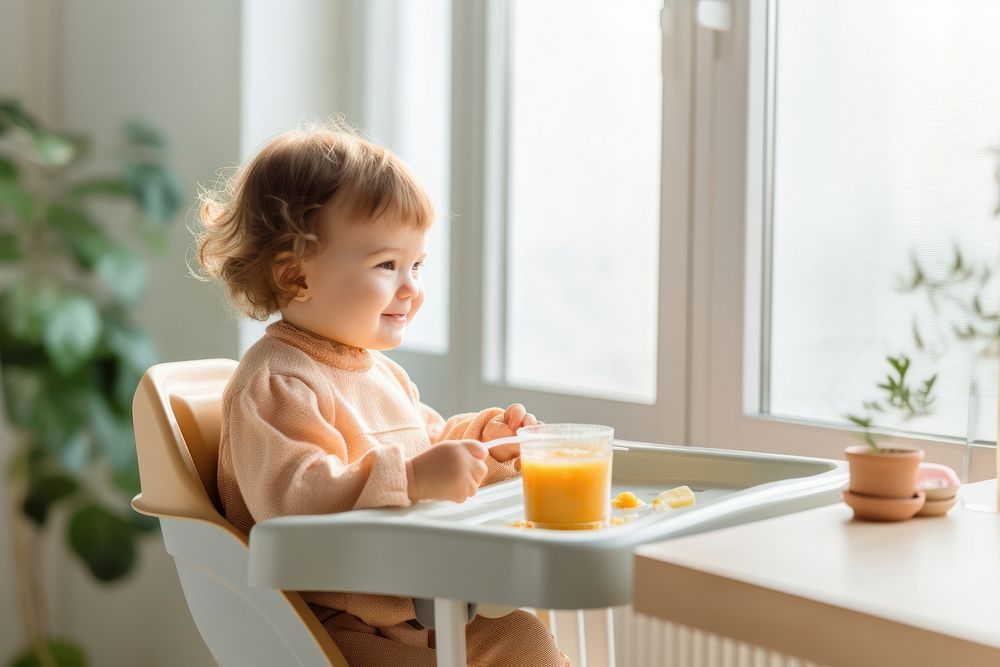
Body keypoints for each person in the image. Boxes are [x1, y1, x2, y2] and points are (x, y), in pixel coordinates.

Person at [194, 122, 569, 666]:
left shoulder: (381, 374)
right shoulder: (275, 383)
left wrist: (484, 446)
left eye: (417, 265)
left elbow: (426, 443)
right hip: (335, 631)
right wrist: (414, 480)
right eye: (387, 265)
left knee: (520, 636)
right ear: (297, 275)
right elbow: (295, 503)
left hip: (417, 610)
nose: (412, 288)